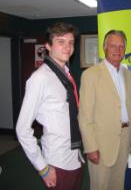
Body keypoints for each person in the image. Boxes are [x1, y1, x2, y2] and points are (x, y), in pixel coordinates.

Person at [16, 22, 84, 190]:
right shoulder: (40, 78)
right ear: (48, 46)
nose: (67, 47)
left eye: (71, 42)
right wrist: (43, 168)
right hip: (57, 162)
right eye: (61, 42)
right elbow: (22, 129)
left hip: (75, 156)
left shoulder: (65, 75)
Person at [78, 30, 131, 190]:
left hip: (124, 139)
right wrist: (90, 147)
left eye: (121, 46)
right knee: (100, 185)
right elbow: (85, 116)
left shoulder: (128, 74)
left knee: (118, 185)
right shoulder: (90, 75)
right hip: (101, 144)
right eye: (113, 46)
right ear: (105, 47)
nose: (118, 50)